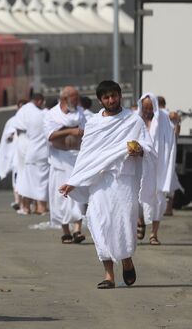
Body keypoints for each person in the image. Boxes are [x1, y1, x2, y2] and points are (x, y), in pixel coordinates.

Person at [60, 80, 156, 289]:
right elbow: (86, 155)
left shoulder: (133, 121)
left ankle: (126, 259)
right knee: (99, 222)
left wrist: (139, 150)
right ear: (100, 100)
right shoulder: (93, 124)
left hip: (124, 181)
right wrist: (73, 181)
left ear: (120, 96)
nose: (111, 100)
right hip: (100, 181)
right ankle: (108, 275)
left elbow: (148, 147)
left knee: (123, 224)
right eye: (106, 97)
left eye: (114, 95)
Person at [44, 86, 87, 244]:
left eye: (77, 98)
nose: (76, 101)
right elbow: (50, 135)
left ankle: (77, 230)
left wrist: (79, 132)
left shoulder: (80, 113)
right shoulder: (52, 115)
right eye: (74, 98)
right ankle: (65, 231)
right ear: (64, 99)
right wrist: (69, 131)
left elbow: (86, 130)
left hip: (76, 158)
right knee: (61, 197)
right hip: (60, 160)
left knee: (78, 194)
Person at [136, 93, 175, 245]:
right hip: (140, 164)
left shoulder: (163, 120)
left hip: (159, 164)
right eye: (145, 107)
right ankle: (140, 220)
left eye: (150, 107)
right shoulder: (136, 119)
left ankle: (154, 234)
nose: (147, 110)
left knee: (158, 199)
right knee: (138, 195)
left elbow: (170, 141)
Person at [15, 93, 49, 215]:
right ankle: (41, 207)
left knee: (26, 180)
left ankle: (26, 207)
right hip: (39, 151)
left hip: (27, 148)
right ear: (39, 101)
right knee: (41, 181)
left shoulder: (25, 111)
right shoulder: (44, 115)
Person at [0, 99, 27, 210]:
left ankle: (26, 203)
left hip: (28, 154)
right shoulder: (12, 121)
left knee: (26, 177)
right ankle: (17, 200)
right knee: (16, 177)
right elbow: (7, 138)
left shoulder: (30, 119)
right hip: (16, 155)